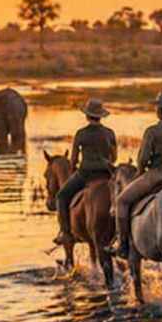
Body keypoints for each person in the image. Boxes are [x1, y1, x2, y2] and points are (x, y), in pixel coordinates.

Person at [110, 91, 162, 257]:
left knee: (121, 201)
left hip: (157, 176)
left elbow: (142, 161)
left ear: (161, 110)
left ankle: (123, 245)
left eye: (157, 107)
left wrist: (141, 171)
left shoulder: (152, 131)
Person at [53, 98, 118, 247]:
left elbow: (74, 159)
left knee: (61, 196)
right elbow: (114, 158)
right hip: (107, 174)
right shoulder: (110, 133)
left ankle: (66, 233)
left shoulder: (81, 134)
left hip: (86, 174)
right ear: (101, 116)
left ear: (87, 116)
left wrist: (72, 171)